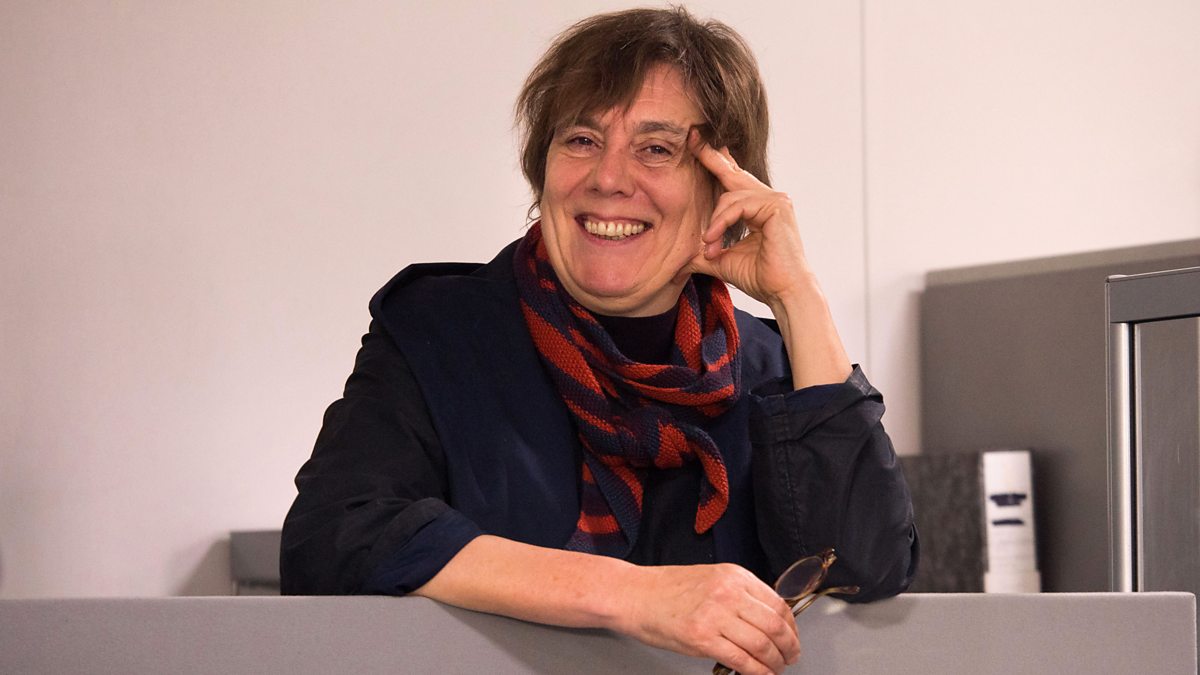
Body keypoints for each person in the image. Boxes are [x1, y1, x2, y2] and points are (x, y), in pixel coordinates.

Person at [281, 7, 917, 675]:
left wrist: (797, 296)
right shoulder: (440, 330)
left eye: (656, 148)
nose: (608, 178)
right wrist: (630, 596)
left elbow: (864, 569)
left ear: (724, 188)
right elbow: (332, 536)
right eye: (582, 140)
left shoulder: (769, 367)